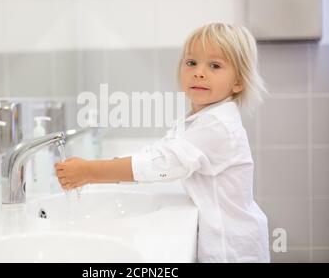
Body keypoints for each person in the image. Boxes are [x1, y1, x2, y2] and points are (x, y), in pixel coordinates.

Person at [55, 23, 270, 263]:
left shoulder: (217, 125)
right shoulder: (198, 119)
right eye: (191, 63)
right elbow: (159, 152)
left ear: (238, 83)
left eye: (215, 65)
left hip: (232, 249)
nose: (199, 72)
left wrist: (90, 172)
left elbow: (162, 165)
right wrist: (108, 166)